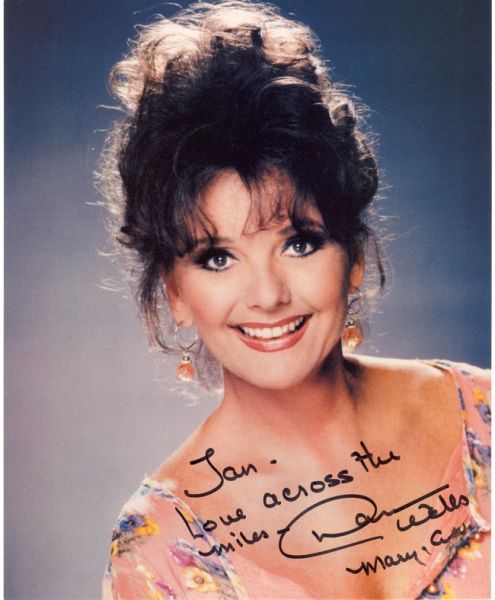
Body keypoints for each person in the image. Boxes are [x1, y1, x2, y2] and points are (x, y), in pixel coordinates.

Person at [100, 2, 490, 598]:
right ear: (175, 292)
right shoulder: (159, 555)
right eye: (217, 257)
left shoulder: (484, 415)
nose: (268, 295)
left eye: (299, 243)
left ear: (353, 257)